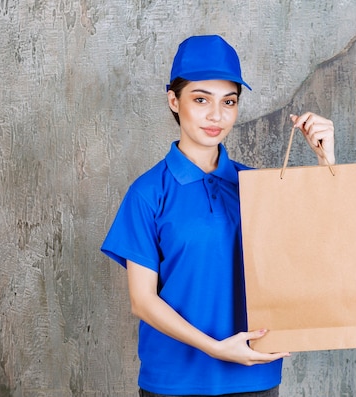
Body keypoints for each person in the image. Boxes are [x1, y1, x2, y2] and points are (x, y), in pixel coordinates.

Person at [101, 35, 336, 397]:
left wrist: (325, 163)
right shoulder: (148, 193)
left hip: (255, 376)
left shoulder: (260, 187)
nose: (216, 115)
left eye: (229, 102)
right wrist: (215, 347)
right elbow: (142, 300)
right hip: (173, 382)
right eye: (200, 100)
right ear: (173, 101)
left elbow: (315, 253)